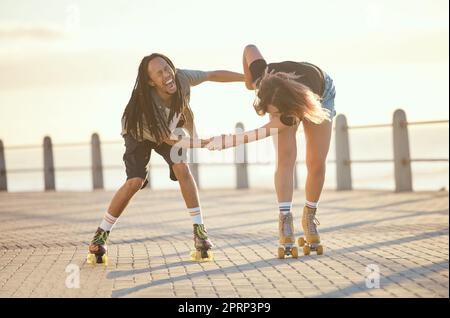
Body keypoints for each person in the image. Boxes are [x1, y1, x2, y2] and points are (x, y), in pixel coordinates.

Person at [87, 53, 244, 265]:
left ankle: (200, 232)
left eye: (167, 68)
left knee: (182, 169)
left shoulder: (182, 78)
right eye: (159, 74)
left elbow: (212, 74)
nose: (166, 75)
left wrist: (248, 79)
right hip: (139, 131)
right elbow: (169, 140)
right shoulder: (146, 105)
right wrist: (206, 143)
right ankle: (101, 234)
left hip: (171, 127)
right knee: (135, 181)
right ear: (151, 82)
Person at [207, 45, 336, 257]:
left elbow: (261, 132)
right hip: (282, 91)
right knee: (285, 159)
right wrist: (249, 82)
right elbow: (249, 49)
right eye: (271, 113)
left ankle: (309, 216)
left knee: (316, 162)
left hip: (320, 92)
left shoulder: (289, 112)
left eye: (277, 115)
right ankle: (285, 221)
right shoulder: (262, 80)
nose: (272, 117)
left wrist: (228, 141)